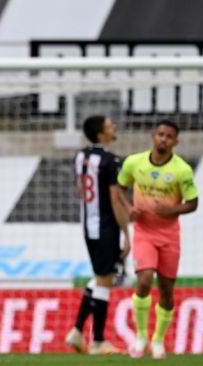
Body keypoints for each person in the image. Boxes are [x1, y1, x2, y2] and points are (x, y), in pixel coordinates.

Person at [117, 120, 199, 359]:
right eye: (160, 134)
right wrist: (129, 207)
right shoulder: (134, 162)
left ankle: (159, 340)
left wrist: (171, 210)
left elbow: (193, 203)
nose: (163, 139)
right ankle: (141, 337)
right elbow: (120, 187)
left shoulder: (182, 170)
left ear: (175, 142)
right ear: (153, 136)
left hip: (169, 236)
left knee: (166, 291)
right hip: (144, 232)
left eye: (169, 136)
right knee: (143, 281)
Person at [65, 115, 130, 355]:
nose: (114, 126)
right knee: (106, 280)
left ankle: (77, 331)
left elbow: (80, 189)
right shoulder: (110, 161)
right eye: (110, 124)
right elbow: (114, 199)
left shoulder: (80, 156)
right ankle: (99, 341)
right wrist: (126, 233)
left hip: (87, 225)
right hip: (105, 227)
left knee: (101, 277)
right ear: (101, 134)